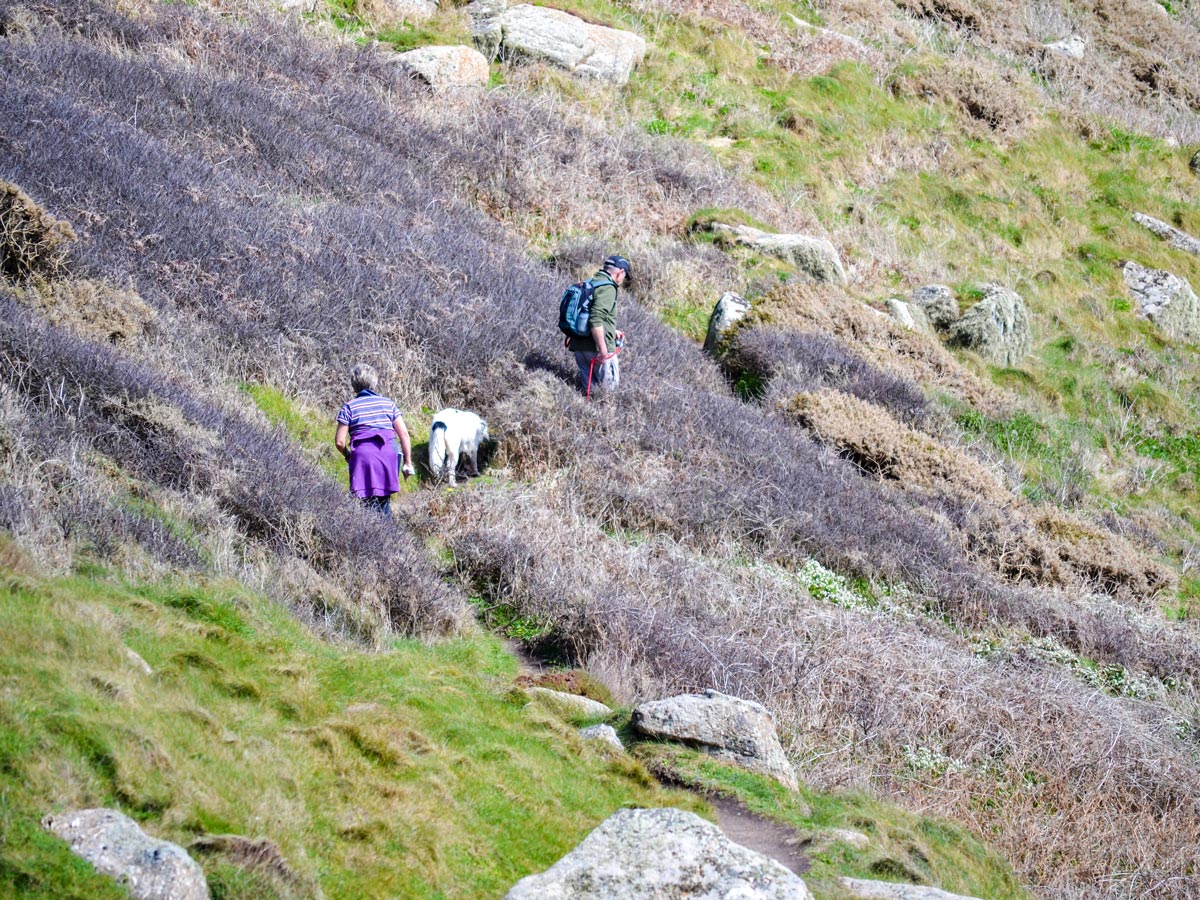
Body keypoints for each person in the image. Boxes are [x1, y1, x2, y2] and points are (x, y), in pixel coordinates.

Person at [334, 363, 414, 518]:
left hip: (363, 458)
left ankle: (372, 538)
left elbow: (339, 442)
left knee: (367, 506)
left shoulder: (348, 407)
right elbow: (404, 434)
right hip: (388, 455)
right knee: (384, 503)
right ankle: (389, 538)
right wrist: (408, 463)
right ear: (374, 382)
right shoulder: (388, 404)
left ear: (353, 384)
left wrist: (348, 455)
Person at [566, 254, 630, 396]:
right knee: (607, 397)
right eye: (624, 276)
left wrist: (612, 330)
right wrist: (603, 350)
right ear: (620, 272)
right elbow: (596, 319)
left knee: (588, 394)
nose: (622, 281)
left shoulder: (591, 282)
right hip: (596, 352)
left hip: (580, 349)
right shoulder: (608, 288)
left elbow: (589, 314)